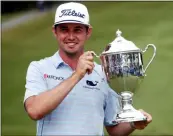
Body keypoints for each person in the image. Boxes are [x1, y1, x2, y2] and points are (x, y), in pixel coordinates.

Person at [23, 2, 152, 135]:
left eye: (77, 30)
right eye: (64, 29)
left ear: (88, 32)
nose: (71, 36)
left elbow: (114, 129)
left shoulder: (103, 73)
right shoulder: (38, 68)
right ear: (54, 31)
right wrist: (77, 75)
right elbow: (34, 110)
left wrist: (133, 123)